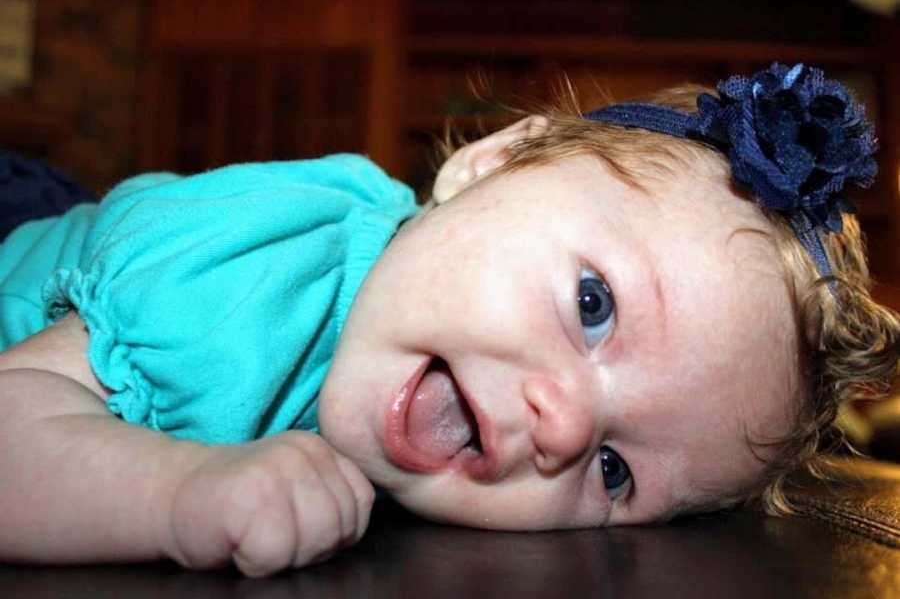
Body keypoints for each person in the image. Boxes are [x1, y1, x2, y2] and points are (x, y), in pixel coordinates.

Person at [0, 63, 897, 576]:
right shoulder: (242, 282)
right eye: (593, 307)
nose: (569, 423)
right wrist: (176, 494)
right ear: (487, 166)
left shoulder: (427, 330)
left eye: (616, 472)